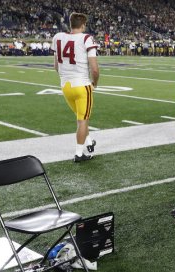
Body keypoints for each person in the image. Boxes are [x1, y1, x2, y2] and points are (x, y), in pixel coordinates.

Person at [51, 12, 99, 162]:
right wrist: (94, 83)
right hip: (82, 85)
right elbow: (95, 69)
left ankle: (89, 141)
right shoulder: (86, 38)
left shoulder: (58, 37)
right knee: (83, 120)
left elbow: (56, 66)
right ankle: (79, 153)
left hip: (65, 86)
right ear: (83, 25)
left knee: (81, 117)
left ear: (70, 24)